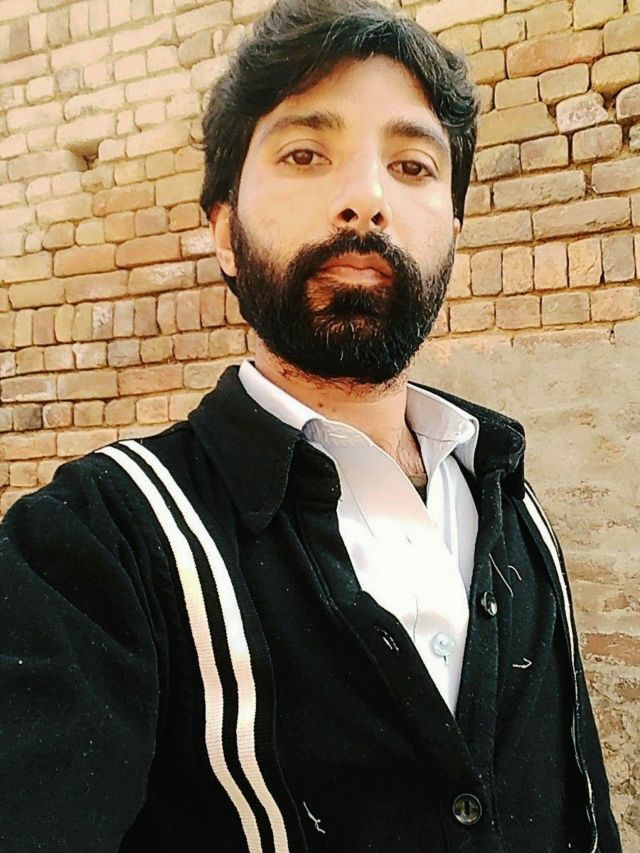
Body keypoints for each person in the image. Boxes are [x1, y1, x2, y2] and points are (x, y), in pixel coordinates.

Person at [0, 1, 622, 851]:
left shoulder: (507, 498)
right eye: (305, 154)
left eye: (411, 165)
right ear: (225, 231)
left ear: (453, 232)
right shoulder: (93, 548)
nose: (366, 198)